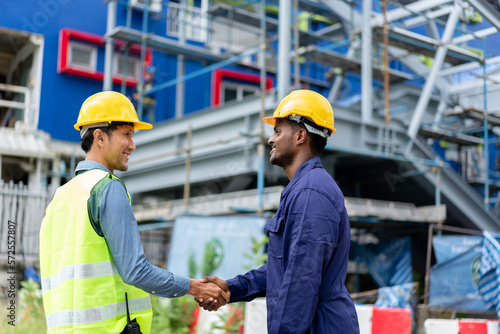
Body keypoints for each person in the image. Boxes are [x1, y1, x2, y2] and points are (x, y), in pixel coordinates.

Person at [39, 91, 228, 334]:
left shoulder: (59, 197)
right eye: (126, 135)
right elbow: (135, 271)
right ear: (99, 137)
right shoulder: (107, 187)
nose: (132, 145)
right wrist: (195, 287)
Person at [199, 90, 360, 333]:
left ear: (300, 136)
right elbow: (284, 268)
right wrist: (231, 288)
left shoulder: (311, 193)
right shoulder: (303, 189)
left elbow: (300, 280)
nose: (270, 140)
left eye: (277, 131)